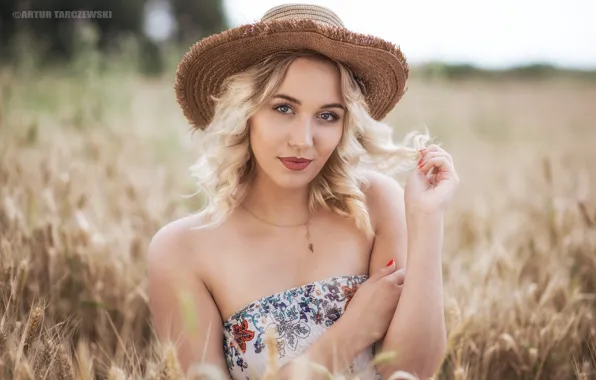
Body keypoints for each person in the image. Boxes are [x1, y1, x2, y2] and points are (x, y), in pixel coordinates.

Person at [147, 3, 459, 380]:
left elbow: (411, 371)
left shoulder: (375, 204)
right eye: (283, 108)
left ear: (346, 125)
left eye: (327, 115)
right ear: (245, 111)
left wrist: (427, 220)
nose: (303, 140)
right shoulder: (181, 250)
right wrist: (351, 332)